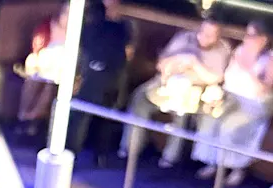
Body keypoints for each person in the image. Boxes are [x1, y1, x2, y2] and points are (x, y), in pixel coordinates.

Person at [120, 17, 231, 167]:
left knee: (181, 113)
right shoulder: (185, 38)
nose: (204, 37)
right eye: (203, 32)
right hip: (166, 82)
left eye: (210, 35)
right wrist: (177, 61)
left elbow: (215, 78)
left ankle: (170, 158)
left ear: (218, 36)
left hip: (195, 90)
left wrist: (194, 63)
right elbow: (161, 63)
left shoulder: (222, 48)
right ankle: (130, 148)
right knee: (140, 98)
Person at [193, 20, 273, 188]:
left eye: (251, 35)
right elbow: (228, 77)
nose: (246, 38)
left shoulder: (269, 59)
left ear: (263, 39)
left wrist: (247, 69)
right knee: (211, 117)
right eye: (247, 34)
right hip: (231, 97)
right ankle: (213, 163)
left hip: (254, 103)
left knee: (230, 125)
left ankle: (237, 169)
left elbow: (264, 89)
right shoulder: (239, 51)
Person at [70, 0, 130, 157]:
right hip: (91, 70)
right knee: (84, 106)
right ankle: (75, 150)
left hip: (110, 73)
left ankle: (97, 152)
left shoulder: (123, 26)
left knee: (101, 108)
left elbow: (126, 54)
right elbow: (83, 45)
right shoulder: (92, 16)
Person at [17, 4, 68, 136]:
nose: (67, 17)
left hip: (60, 68)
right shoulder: (47, 25)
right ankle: (23, 116)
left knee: (49, 86)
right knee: (32, 79)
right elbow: (38, 46)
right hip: (44, 62)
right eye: (65, 13)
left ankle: (32, 119)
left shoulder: (76, 33)